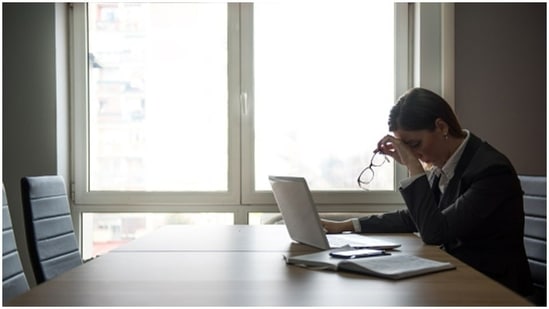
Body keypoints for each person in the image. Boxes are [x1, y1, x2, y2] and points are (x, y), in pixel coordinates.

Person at [322, 87, 532, 296]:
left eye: (415, 144)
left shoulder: (491, 171)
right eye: (407, 148)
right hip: (457, 275)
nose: (414, 154)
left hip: (494, 288)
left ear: (441, 127)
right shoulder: (447, 163)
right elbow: (415, 218)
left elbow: (435, 232)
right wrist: (346, 225)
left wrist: (414, 167)